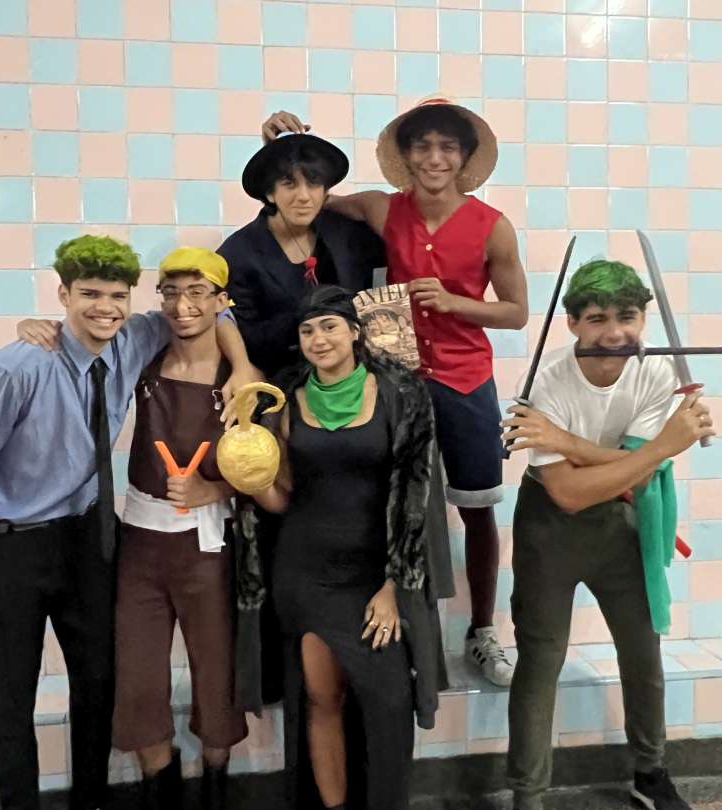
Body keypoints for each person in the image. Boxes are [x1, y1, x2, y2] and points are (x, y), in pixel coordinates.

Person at [0, 235, 257, 810]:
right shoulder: (16, 368)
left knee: (98, 683)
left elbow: (208, 307)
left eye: (117, 296)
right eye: (89, 295)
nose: (105, 308)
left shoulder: (133, 339)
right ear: (63, 295)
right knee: (10, 698)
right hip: (13, 545)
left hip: (87, 536)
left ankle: (91, 801)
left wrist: (245, 362)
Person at [262, 96, 529, 687]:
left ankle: (483, 630)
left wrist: (454, 302)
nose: (435, 158)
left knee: (477, 507)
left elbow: (516, 312)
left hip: (465, 380)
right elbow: (307, 198)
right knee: (388, 502)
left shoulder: (493, 225)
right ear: (405, 155)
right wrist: (279, 148)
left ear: (464, 156)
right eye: (422, 146)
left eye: (448, 147)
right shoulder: (381, 208)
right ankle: (400, 626)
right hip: (396, 382)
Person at [501, 260, 715, 810]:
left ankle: (650, 773)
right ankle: (528, 796)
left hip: (622, 522)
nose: (615, 333)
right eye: (597, 319)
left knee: (643, 652)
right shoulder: (546, 381)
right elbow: (569, 493)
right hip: (549, 527)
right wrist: (662, 448)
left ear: (643, 318)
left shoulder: (656, 373)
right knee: (540, 660)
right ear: (572, 323)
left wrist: (568, 443)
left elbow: (634, 476)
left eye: (627, 316)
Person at [252, 285, 444, 810]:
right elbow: (282, 497)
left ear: (355, 332)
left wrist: (393, 585)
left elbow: (417, 498)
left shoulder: (401, 393)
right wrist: (251, 479)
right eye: (307, 330)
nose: (318, 339)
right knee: (322, 700)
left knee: (389, 705)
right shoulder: (285, 397)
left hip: (374, 576)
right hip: (305, 572)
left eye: (329, 326)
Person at [108, 248, 256, 809]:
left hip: (207, 548)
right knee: (137, 678)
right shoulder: (145, 356)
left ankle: (217, 786)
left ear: (221, 301)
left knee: (216, 674)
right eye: (171, 293)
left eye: (198, 292)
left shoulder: (242, 383)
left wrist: (214, 491)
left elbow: (269, 471)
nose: (182, 305)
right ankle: (159, 788)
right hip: (139, 545)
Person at [217, 130, 386, 381]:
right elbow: (245, 337)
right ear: (270, 193)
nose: (304, 196)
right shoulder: (238, 254)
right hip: (282, 381)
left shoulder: (351, 236)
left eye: (314, 183)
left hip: (359, 377)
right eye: (289, 184)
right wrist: (309, 318)